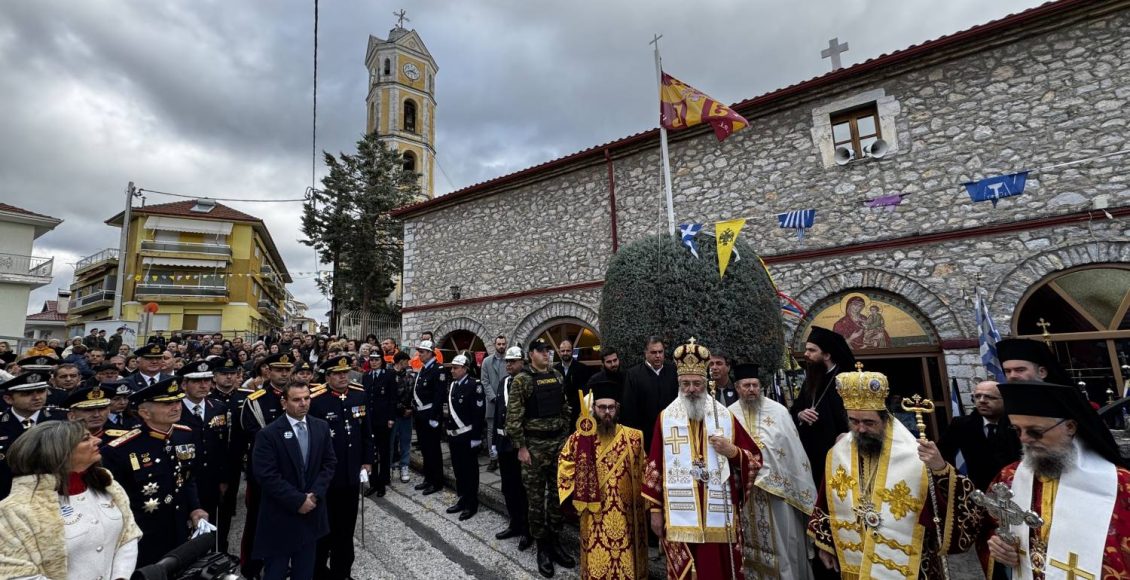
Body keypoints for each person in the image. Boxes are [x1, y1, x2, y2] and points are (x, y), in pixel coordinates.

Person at [807, 366, 983, 579]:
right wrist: (826, 544)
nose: (860, 429)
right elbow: (827, 500)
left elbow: (958, 510)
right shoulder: (837, 453)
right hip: (856, 556)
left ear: (886, 419)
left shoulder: (915, 455)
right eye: (854, 421)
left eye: (869, 422)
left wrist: (940, 470)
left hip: (911, 562)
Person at [982, 380, 1130, 578]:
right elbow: (992, 525)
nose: (1024, 439)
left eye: (1035, 432)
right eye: (1017, 430)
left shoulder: (1120, 484)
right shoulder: (1009, 477)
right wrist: (1000, 547)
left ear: (1070, 426)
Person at [642, 338, 762, 580]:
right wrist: (655, 511)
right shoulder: (666, 418)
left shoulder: (724, 417)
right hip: (679, 514)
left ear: (705, 383)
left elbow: (755, 459)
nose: (691, 390)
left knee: (716, 570)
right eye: (685, 384)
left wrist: (733, 452)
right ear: (678, 383)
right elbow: (653, 466)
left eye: (696, 383)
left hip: (719, 515)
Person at [0, 421, 142, 579]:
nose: (98, 440)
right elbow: (17, 573)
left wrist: (121, 576)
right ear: (58, 452)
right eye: (85, 439)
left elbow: (127, 535)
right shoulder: (16, 509)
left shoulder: (107, 484)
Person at [101, 377, 208, 567]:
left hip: (179, 526)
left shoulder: (185, 434)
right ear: (145, 412)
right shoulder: (120, 449)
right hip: (144, 533)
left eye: (177, 401)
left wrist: (195, 507)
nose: (176, 407)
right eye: (167, 404)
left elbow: (187, 478)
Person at [727, 362, 816, 579]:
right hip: (745, 495)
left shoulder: (779, 412)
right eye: (746, 385)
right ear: (737, 387)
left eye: (755, 385)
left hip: (778, 495)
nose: (751, 390)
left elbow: (793, 453)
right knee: (748, 548)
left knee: (783, 544)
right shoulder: (728, 414)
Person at [558, 378, 648, 580]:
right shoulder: (579, 439)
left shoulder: (633, 438)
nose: (607, 412)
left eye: (611, 408)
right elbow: (564, 465)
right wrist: (575, 494)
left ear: (617, 408)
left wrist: (652, 507)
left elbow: (645, 471)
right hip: (593, 513)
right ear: (593, 408)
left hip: (626, 517)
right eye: (601, 408)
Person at [251, 382, 337, 580]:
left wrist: (314, 496)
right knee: (276, 572)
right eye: (297, 399)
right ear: (284, 402)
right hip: (281, 515)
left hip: (311, 514)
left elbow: (329, 463)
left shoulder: (321, 427)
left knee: (304, 573)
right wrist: (298, 500)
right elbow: (266, 475)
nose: (303, 403)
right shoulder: (268, 434)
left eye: (307, 398)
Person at [506, 338, 575, 577]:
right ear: (531, 354)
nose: (547, 354)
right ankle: (542, 548)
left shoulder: (556, 376)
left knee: (558, 496)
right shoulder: (522, 380)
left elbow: (565, 407)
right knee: (536, 501)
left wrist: (565, 436)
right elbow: (513, 418)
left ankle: (555, 541)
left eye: (548, 350)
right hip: (534, 448)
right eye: (542, 351)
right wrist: (521, 448)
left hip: (558, 445)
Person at [308, 355, 373, 579]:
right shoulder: (316, 401)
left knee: (346, 528)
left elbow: (366, 431)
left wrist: (367, 460)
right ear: (327, 377)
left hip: (350, 474)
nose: (343, 377)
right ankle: (317, 571)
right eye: (337, 373)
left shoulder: (359, 394)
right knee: (323, 529)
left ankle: (342, 571)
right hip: (325, 478)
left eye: (345, 372)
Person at [235, 351, 293, 578]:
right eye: (279, 369)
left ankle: (281, 562)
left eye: (288, 370)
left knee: (289, 521)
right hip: (264, 473)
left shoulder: (299, 397)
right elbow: (250, 436)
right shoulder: (255, 401)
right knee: (257, 521)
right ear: (268, 371)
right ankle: (251, 566)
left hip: (293, 472)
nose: (284, 374)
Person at [789, 326, 853, 490]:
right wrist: (801, 414)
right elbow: (796, 408)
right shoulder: (812, 378)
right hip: (810, 454)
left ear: (826, 355)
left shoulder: (847, 379)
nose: (806, 354)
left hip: (838, 453)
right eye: (806, 349)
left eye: (812, 350)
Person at [177, 359, 230, 551]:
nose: (203, 385)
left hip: (211, 479)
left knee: (212, 526)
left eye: (207, 380)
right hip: (184, 479)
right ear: (184, 384)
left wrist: (224, 478)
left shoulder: (218, 407)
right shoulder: (175, 409)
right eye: (197, 381)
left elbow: (223, 446)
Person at [938, 380, 1021, 491]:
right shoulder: (961, 425)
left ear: (1005, 400)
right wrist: (957, 483)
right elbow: (943, 455)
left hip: (1016, 488)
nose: (982, 401)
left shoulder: (1018, 424)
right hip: (978, 492)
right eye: (977, 396)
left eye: (989, 397)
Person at [0, 372, 66, 498]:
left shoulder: (61, 420)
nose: (37, 397)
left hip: (55, 493)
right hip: (8, 495)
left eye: (41, 391)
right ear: (8, 399)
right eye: (27, 394)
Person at [493, 345, 531, 550]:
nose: (508, 364)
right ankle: (514, 523)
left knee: (523, 489)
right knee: (508, 487)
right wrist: (493, 442)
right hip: (503, 445)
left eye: (513, 361)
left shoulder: (527, 382)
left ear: (522, 362)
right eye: (507, 361)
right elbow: (499, 413)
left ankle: (527, 529)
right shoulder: (503, 382)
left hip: (520, 446)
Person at [444, 353, 486, 520]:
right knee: (458, 469)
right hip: (454, 437)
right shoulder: (453, 385)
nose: (452, 371)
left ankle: (471, 503)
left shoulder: (474, 385)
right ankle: (462, 498)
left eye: (455, 368)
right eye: (452, 368)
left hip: (468, 436)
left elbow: (478, 413)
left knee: (470, 472)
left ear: (465, 369)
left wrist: (476, 437)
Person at [621, 336, 679, 453]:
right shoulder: (633, 375)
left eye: (660, 352)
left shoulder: (673, 372)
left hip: (672, 434)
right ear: (645, 353)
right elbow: (629, 409)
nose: (658, 355)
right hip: (645, 435)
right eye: (653, 352)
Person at [412, 340, 447, 495]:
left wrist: (434, 416)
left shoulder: (437, 369)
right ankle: (428, 478)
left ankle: (436, 481)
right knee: (425, 449)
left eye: (422, 352)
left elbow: (439, 396)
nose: (420, 354)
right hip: (420, 415)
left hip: (430, 415)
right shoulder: (424, 368)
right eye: (419, 351)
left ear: (431, 353)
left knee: (433, 450)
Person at [363, 350, 398, 497]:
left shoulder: (389, 375)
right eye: (371, 360)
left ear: (381, 361)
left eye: (376, 360)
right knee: (371, 452)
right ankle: (373, 483)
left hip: (384, 420)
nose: (374, 362)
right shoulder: (366, 376)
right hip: (370, 420)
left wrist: (391, 418)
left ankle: (383, 482)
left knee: (384, 451)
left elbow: (393, 398)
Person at [480, 335, 508, 472]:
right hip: (492, 403)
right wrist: (493, 397)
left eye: (503, 344)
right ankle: (493, 458)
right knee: (491, 432)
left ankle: (505, 456)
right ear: (494, 345)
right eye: (499, 344)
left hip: (507, 402)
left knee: (506, 430)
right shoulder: (486, 362)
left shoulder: (509, 361)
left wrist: (504, 398)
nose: (501, 346)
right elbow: (484, 381)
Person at [996, 337, 1073, 386]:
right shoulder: (1003, 400)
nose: (1012, 375)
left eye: (1020, 370)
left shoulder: (1066, 400)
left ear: (1042, 372)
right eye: (1007, 371)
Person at [555, 339, 594, 430]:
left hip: (578, 413)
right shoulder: (554, 370)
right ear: (559, 352)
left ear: (572, 351)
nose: (565, 353)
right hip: (560, 415)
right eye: (563, 351)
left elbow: (586, 392)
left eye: (568, 350)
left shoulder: (583, 369)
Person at [389, 351, 414, 484]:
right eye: (406, 361)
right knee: (391, 442)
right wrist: (401, 408)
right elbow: (390, 396)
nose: (408, 364)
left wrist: (409, 408)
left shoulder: (409, 375)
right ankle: (390, 466)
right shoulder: (389, 375)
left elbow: (412, 392)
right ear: (400, 361)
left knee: (405, 441)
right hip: (393, 414)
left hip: (406, 415)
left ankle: (404, 466)